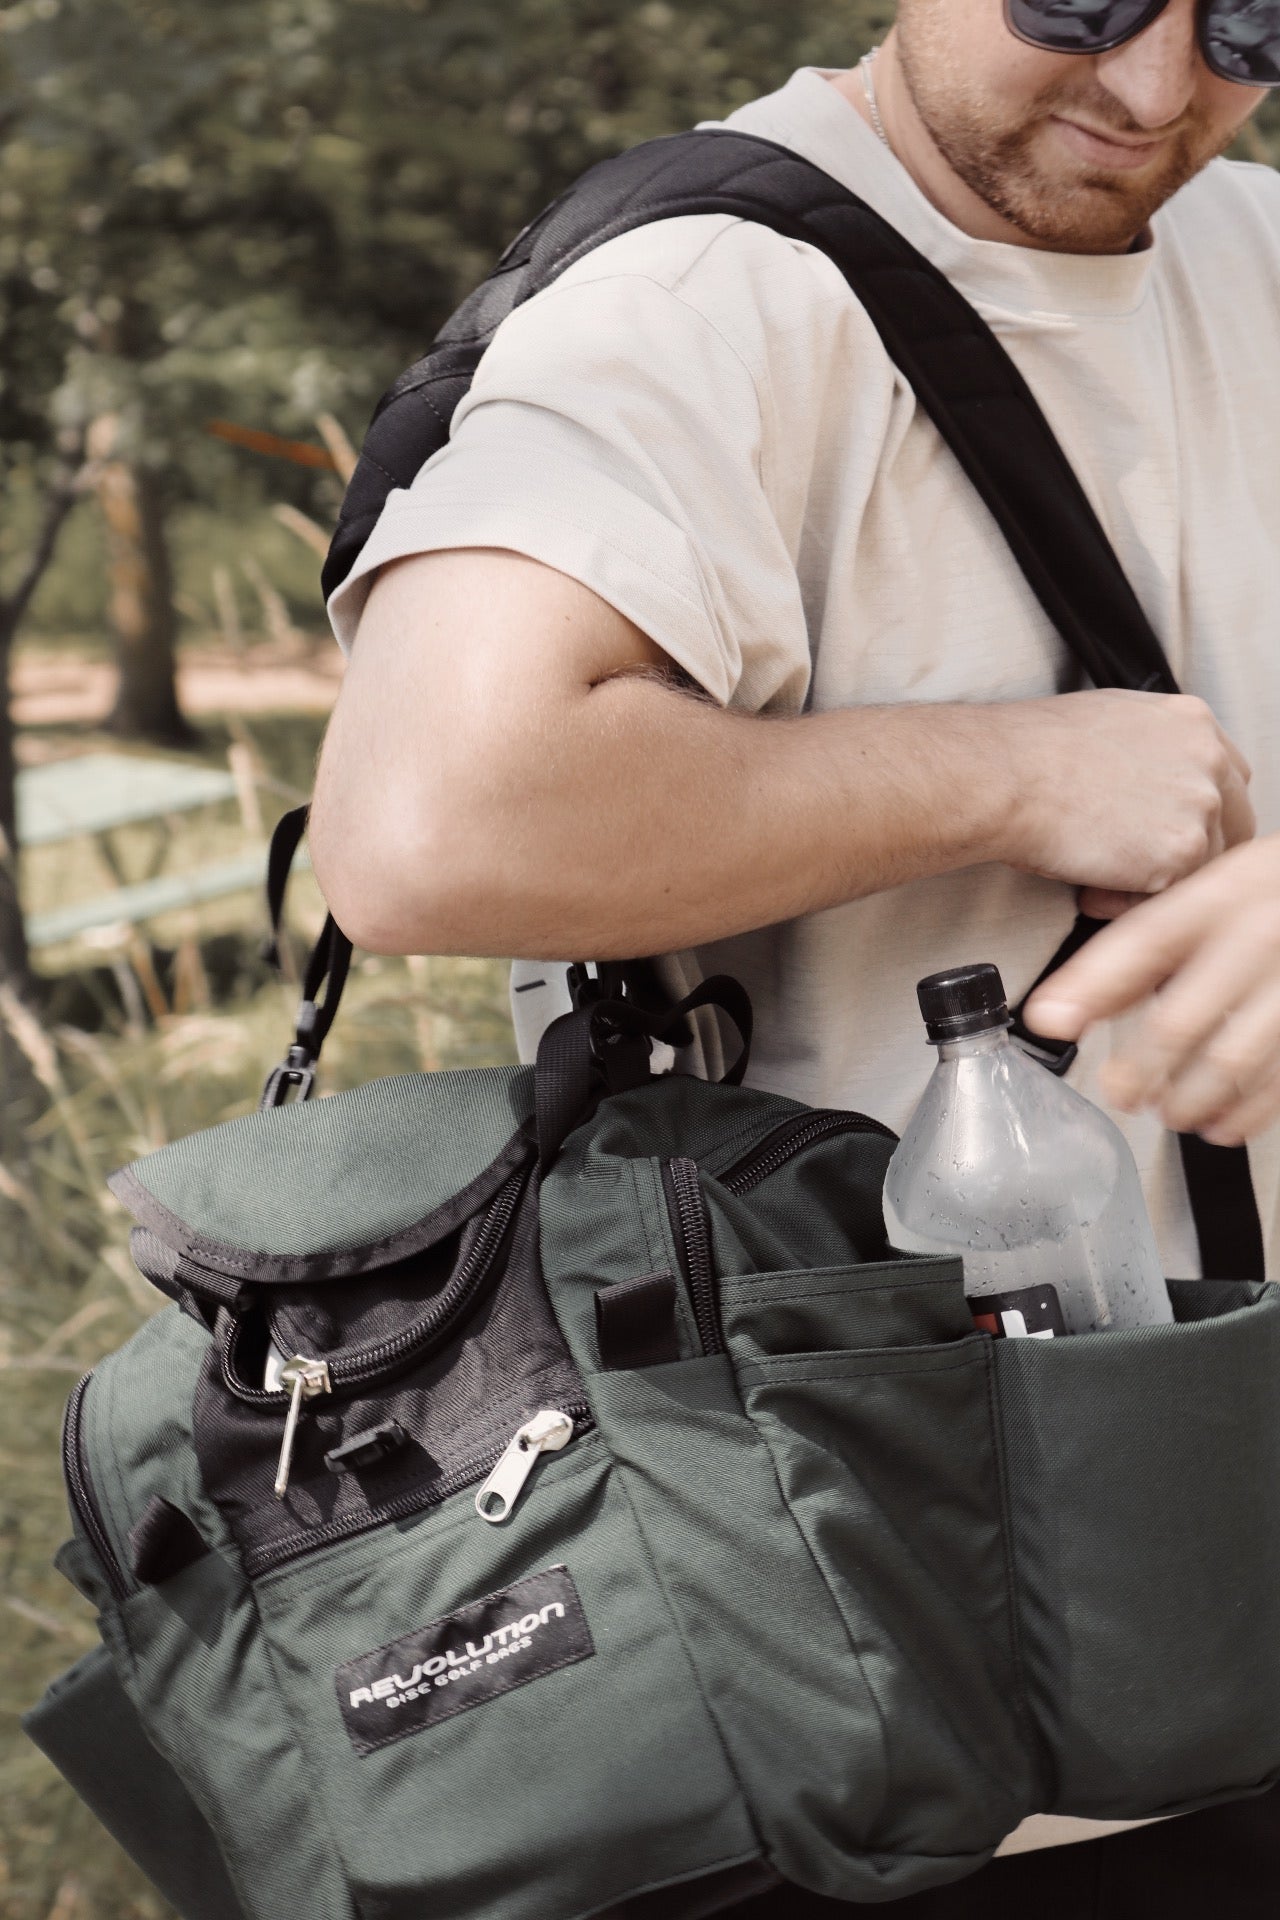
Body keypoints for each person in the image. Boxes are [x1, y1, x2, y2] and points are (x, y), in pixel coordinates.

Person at [309, 0, 1280, 1910]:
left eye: (1252, 14)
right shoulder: (704, 305)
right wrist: (1019, 774)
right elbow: (423, 825)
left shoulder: (1259, 250)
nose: (1158, 86)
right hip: (930, 1679)